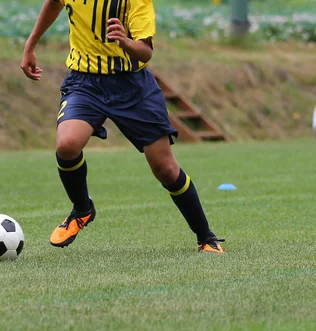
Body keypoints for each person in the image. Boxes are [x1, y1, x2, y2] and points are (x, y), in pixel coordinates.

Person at [20, 0, 224, 253]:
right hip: (86, 83)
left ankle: (206, 237)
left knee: (166, 169)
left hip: (133, 87)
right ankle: (83, 210)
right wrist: (30, 45)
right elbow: (53, 3)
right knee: (67, 144)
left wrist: (126, 42)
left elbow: (146, 51)